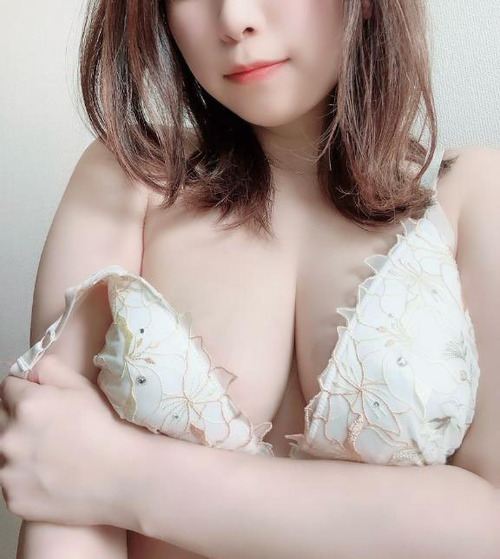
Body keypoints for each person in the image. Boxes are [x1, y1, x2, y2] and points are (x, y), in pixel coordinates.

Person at [1, 1, 499, 558]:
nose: (234, 17)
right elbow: (50, 470)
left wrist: (126, 476)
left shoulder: (474, 196)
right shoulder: (126, 177)